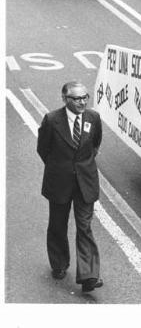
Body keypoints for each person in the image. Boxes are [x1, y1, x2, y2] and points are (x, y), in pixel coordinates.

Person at [37, 82, 103, 292]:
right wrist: (60, 167)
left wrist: (82, 165)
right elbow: (43, 149)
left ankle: (89, 276)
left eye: (85, 97)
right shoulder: (51, 120)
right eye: (76, 98)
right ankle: (59, 264)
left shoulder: (93, 118)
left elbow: (95, 144)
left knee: (84, 227)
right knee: (58, 224)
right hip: (59, 182)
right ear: (65, 99)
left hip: (85, 182)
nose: (82, 102)